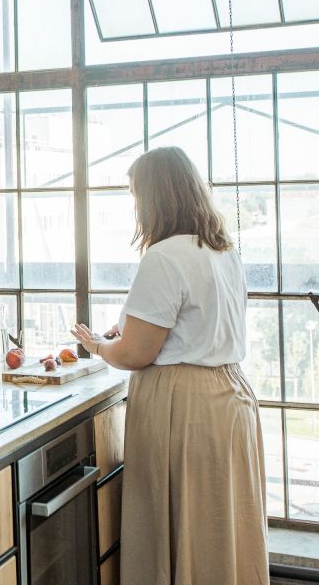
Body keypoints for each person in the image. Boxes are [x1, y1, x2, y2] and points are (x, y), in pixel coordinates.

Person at [70, 146, 269, 585]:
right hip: (231, 397)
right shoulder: (221, 250)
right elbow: (193, 326)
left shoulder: (163, 257)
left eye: (137, 196)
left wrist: (100, 346)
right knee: (219, 528)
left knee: (177, 527)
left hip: (185, 407)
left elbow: (136, 354)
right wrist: (125, 334)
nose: (136, 208)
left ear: (156, 198)